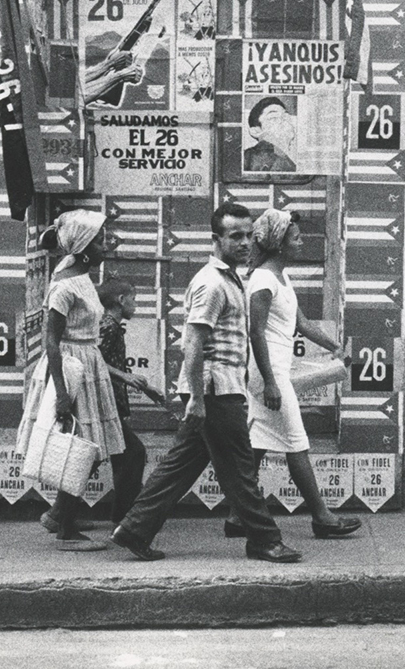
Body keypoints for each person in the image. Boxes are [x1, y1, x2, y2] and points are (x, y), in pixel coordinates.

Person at [111, 202, 302, 563]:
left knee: (181, 464)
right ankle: (264, 539)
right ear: (216, 240)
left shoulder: (230, 278)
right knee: (241, 468)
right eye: (235, 236)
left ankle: (134, 528)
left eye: (249, 235)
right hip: (215, 390)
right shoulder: (211, 283)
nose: (245, 243)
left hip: (221, 387)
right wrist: (197, 399)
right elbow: (193, 343)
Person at [227, 208, 361, 540]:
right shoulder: (262, 280)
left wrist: (336, 347)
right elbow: (255, 333)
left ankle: (235, 516)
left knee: (257, 444)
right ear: (279, 243)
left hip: (274, 371)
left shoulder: (281, 277)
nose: (301, 242)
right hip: (267, 374)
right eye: (296, 237)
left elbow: (300, 323)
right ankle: (322, 517)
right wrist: (271, 382)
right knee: (297, 443)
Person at [16, 210, 129, 551]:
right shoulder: (65, 284)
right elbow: (50, 341)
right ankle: (65, 529)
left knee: (88, 444)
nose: (105, 244)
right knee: (82, 446)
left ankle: (59, 514)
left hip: (86, 363)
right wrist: (62, 393)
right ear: (82, 248)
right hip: (70, 366)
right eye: (98, 240)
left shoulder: (78, 273)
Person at [37, 278, 165, 534]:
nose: (136, 305)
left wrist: (145, 388)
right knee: (129, 454)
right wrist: (126, 377)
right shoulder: (107, 326)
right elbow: (94, 362)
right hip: (102, 402)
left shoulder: (112, 325)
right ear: (121, 300)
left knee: (102, 457)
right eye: (134, 299)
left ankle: (60, 515)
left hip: (107, 400)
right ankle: (122, 519)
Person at [243, 97, 297, 173]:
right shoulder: (245, 158)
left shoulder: (295, 162)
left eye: (286, 117)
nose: (283, 121)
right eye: (273, 118)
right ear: (255, 131)